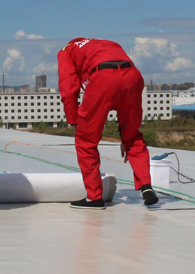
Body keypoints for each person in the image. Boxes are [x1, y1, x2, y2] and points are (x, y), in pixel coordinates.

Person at [57, 38, 158, 209]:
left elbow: (68, 88)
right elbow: (119, 76)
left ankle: (94, 198)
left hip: (102, 78)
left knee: (86, 141)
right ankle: (146, 187)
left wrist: (74, 121)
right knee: (132, 136)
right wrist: (125, 135)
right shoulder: (108, 43)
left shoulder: (66, 51)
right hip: (132, 76)